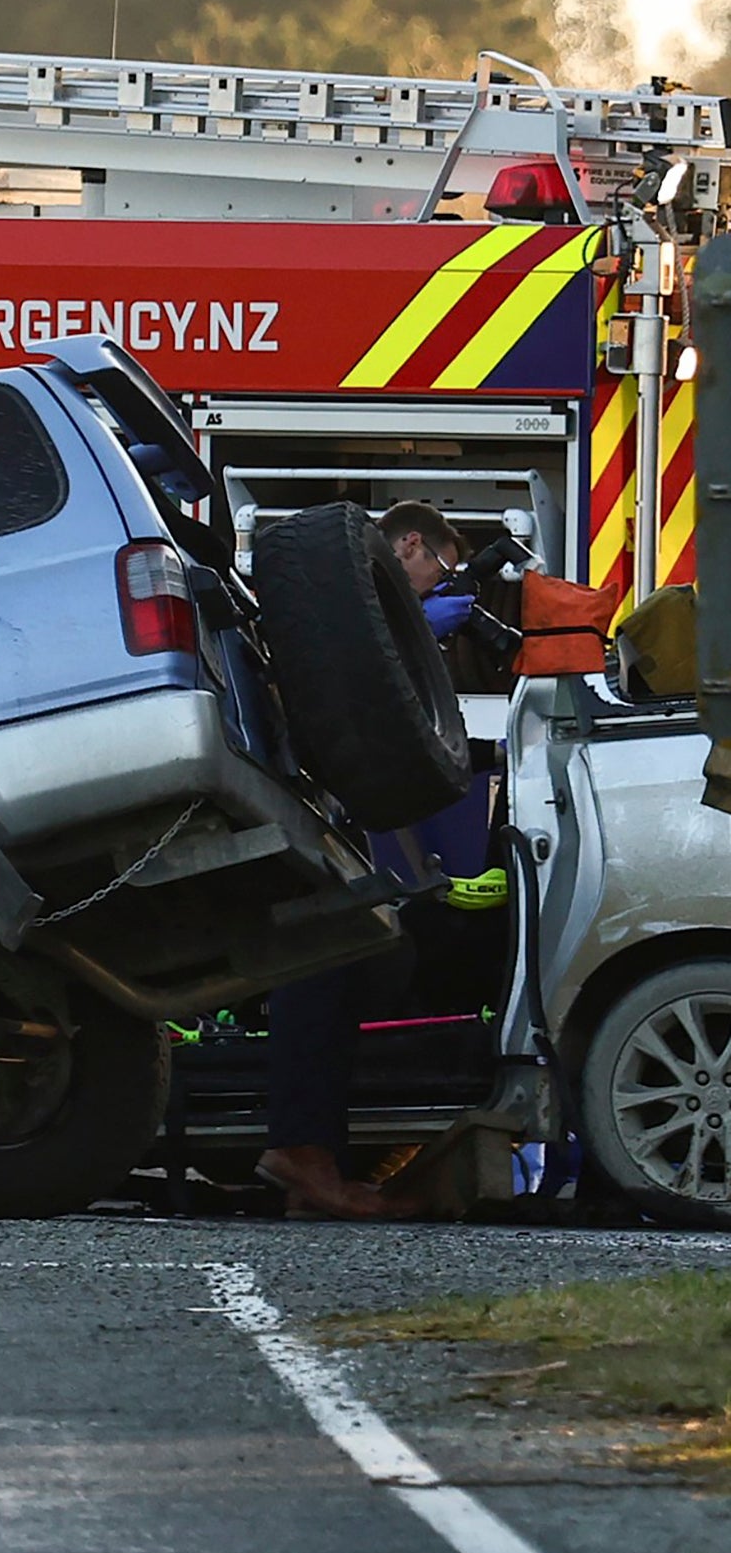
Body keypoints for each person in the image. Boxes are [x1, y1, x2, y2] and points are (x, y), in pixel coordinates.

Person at [257, 501, 474, 1221]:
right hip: (283, 807)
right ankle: (304, 1153)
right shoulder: (341, 605)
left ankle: (310, 1170)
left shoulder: (349, 606)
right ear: (409, 543)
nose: (433, 588)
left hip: (305, 808)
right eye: (437, 569)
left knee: (353, 958)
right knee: (323, 962)